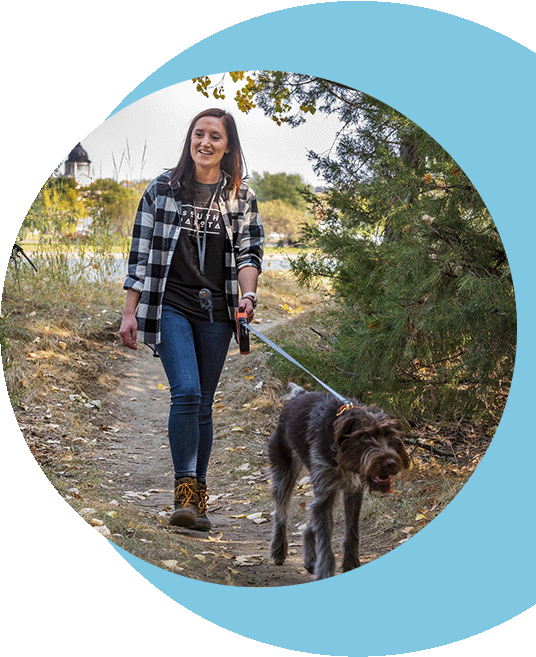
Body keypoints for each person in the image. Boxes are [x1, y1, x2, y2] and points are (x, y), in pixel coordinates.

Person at [119, 108, 264, 531]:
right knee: (185, 391)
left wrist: (248, 295)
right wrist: (130, 311)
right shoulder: (162, 189)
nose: (205, 142)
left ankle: (199, 499)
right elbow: (140, 254)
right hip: (170, 305)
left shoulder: (241, 196)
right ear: (189, 139)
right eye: (198, 134)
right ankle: (184, 493)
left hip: (218, 312)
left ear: (228, 146)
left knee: (203, 402)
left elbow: (249, 254)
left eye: (215, 137)